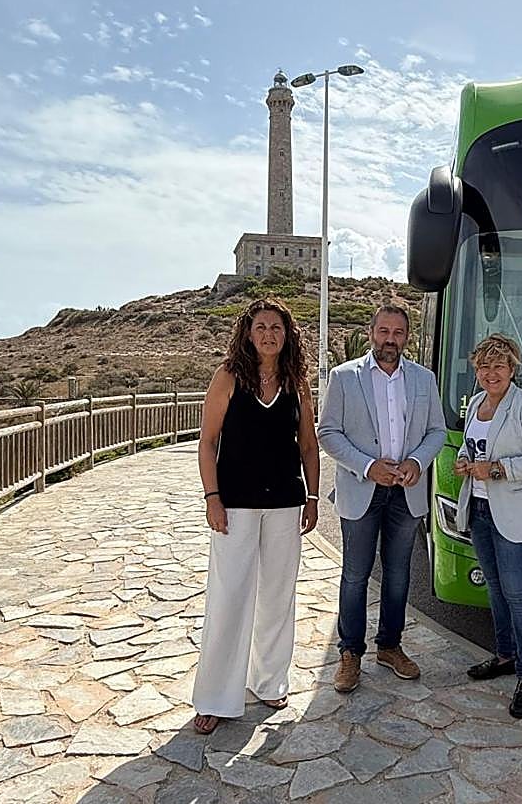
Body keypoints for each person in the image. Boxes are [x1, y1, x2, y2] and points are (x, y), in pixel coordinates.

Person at [191, 298, 319, 735]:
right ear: (249, 333)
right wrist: (212, 497)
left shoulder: (296, 382)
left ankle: (269, 681)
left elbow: (308, 445)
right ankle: (214, 696)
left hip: (285, 502)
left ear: (287, 336)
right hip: (236, 504)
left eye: (277, 328)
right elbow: (208, 442)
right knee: (229, 597)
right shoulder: (228, 376)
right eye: (261, 327)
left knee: (277, 596)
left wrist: (314, 496)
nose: (269, 334)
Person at [318, 304, 447, 693]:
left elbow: (437, 432)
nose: (391, 339)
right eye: (384, 331)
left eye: (399, 333)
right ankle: (350, 653)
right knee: (356, 575)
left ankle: (390, 646)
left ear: (408, 337)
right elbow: (328, 433)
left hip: (406, 493)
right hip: (362, 490)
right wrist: (367, 465)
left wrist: (417, 461)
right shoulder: (344, 378)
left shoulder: (425, 380)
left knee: (398, 575)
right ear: (371, 331)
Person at [455, 334, 522, 719]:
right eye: (484, 366)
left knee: (519, 595)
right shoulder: (477, 404)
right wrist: (466, 461)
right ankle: (504, 656)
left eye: (499, 366)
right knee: (496, 589)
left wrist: (498, 470)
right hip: (481, 508)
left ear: (512, 369)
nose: (490, 373)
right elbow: (473, 446)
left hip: (515, 513)